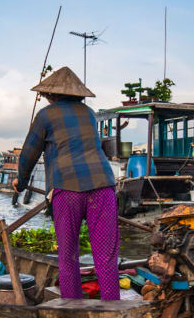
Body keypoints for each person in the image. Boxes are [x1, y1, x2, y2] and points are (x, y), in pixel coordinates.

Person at [12, 66, 120, 300]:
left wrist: (20, 183)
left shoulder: (45, 115)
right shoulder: (89, 113)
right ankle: (113, 307)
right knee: (106, 255)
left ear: (51, 95)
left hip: (68, 190)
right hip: (103, 187)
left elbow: (29, 153)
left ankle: (72, 305)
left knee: (68, 255)